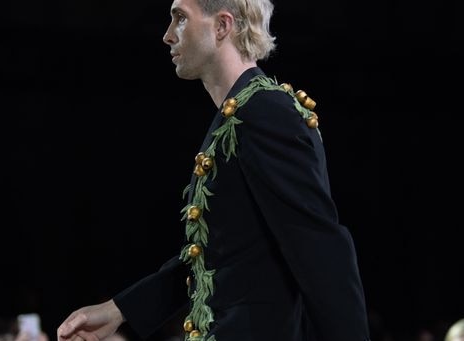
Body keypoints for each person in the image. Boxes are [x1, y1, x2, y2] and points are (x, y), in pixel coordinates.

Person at [56, 0, 371, 340]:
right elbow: (224, 258)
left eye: (180, 19)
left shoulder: (264, 112)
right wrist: (118, 310)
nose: (167, 35)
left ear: (222, 26)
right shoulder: (241, 113)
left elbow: (322, 252)